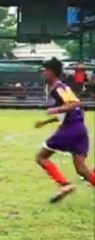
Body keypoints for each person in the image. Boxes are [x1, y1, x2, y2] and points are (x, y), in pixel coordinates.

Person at [34, 58, 95, 203]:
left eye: (44, 71)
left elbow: (75, 104)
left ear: (51, 72)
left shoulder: (57, 88)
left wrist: (54, 109)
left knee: (41, 158)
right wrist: (46, 121)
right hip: (80, 129)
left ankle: (65, 185)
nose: (43, 73)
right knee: (81, 169)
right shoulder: (62, 87)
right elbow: (71, 110)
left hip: (71, 129)